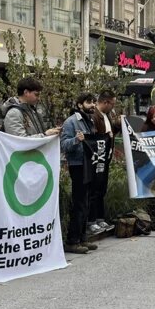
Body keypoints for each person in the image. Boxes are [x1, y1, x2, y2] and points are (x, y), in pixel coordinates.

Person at [60, 92, 99, 254]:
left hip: (89, 164)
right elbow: (63, 145)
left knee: (87, 202)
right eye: (89, 102)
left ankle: (82, 237)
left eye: (94, 102)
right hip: (77, 165)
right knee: (79, 202)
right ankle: (72, 240)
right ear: (79, 105)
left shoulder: (89, 120)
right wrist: (76, 140)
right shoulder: (71, 122)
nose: (92, 105)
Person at [87, 90, 117, 236]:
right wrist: (106, 135)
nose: (113, 107)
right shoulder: (94, 115)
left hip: (105, 157)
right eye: (112, 103)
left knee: (101, 189)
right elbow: (92, 135)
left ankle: (99, 217)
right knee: (94, 189)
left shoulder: (107, 115)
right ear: (106, 102)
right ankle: (91, 220)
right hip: (96, 158)